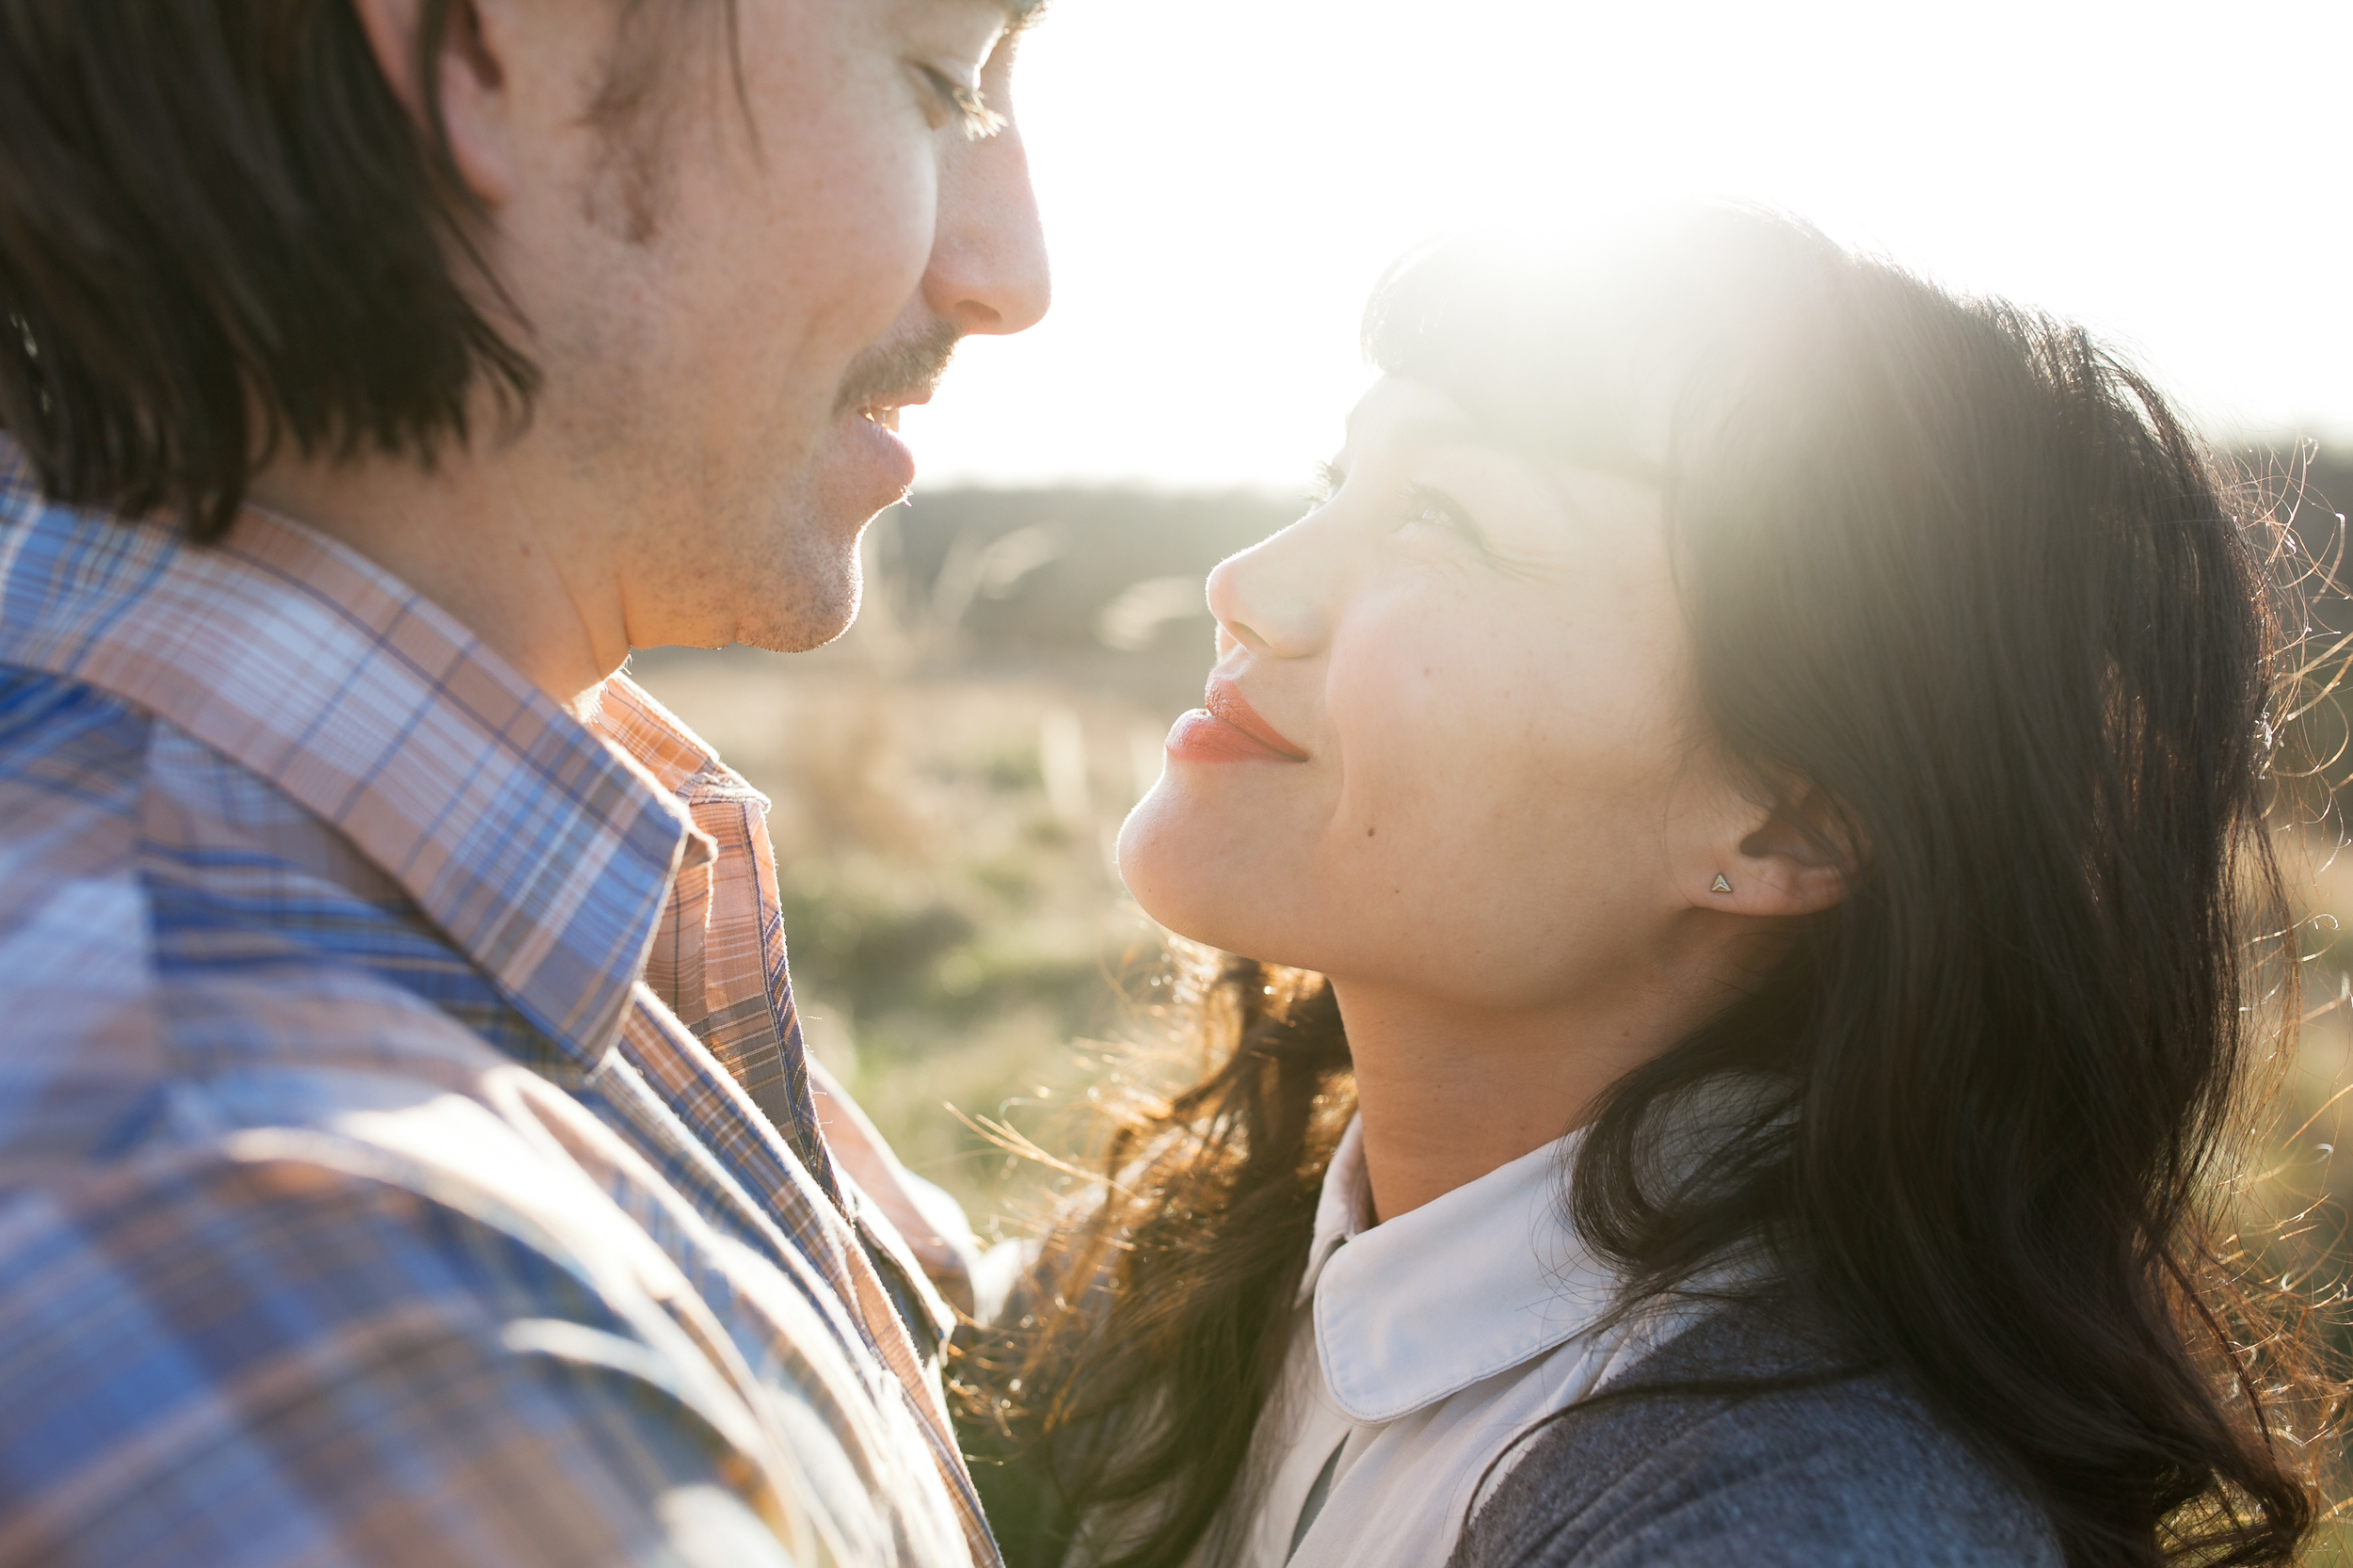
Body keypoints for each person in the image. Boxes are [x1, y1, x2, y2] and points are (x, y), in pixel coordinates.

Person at [966, 208, 2345, 1568]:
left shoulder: (1789, 1519)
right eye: (1341, 483)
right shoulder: (1269, 1239)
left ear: (1793, 818)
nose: (1245, 585)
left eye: (1443, 515)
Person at [0, 1, 1048, 1564]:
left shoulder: (423, 861)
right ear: (481, 54)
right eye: (938, 82)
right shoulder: (316, 1280)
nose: (1012, 277)